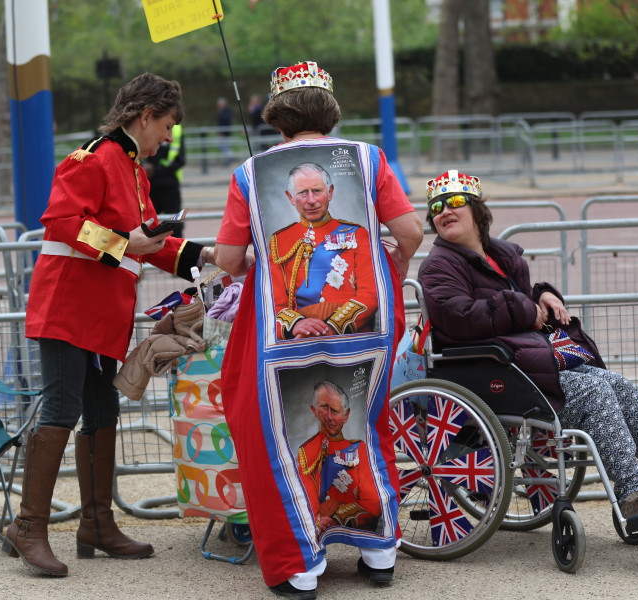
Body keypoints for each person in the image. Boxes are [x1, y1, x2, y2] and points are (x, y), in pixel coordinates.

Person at [213, 60, 423, 599]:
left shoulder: (248, 173)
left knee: (277, 433)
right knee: (364, 419)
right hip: (370, 332)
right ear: (329, 112)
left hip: (281, 342)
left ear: (278, 119)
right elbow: (409, 231)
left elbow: (233, 259)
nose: (310, 200)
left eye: (318, 194)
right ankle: (379, 551)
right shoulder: (369, 158)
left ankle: (301, 565)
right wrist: (393, 266)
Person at [417, 168, 638, 524]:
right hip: (492, 371)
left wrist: (541, 293)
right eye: (436, 207)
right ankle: (633, 493)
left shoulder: (501, 256)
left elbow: (512, 299)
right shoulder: (438, 267)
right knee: (593, 392)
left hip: (524, 361)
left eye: (454, 202)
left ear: (477, 211)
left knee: (617, 383)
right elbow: (461, 317)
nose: (444, 211)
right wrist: (525, 308)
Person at [7, 72, 215, 577]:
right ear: (145, 116)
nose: (168, 135)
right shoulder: (96, 157)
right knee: (61, 409)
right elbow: (60, 222)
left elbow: (151, 242)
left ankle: (96, 525)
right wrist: (125, 245)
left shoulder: (133, 169)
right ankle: (29, 526)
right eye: (166, 125)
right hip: (67, 309)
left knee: (101, 413)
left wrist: (208, 255)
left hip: (98, 315)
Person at [270, 162, 377, 339]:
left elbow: (370, 294)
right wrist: (297, 324)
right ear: (290, 197)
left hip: (351, 336)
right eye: (303, 193)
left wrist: (334, 326)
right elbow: (273, 304)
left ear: (330, 192)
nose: (311, 200)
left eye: (317, 191)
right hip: (301, 338)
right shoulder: (279, 242)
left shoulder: (358, 235)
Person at [297, 381, 382, 536]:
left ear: (346, 415)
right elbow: (302, 494)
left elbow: (373, 504)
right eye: (324, 408)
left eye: (335, 411)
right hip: (317, 525)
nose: (329, 417)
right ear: (314, 410)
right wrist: (314, 519)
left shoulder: (359, 449)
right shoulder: (306, 451)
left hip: (349, 524)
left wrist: (334, 520)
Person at [143, 122, 185, 236]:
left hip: (169, 185)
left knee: (175, 225)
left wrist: (156, 170)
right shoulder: (146, 124)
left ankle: (178, 252)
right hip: (149, 185)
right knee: (147, 224)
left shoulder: (176, 130)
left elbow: (180, 160)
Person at [216, 97, 233, 166]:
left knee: (224, 145)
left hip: (225, 132)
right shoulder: (222, 111)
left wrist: (222, 132)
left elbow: (225, 121)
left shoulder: (226, 112)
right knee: (222, 145)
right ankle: (229, 157)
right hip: (223, 132)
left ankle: (229, 158)